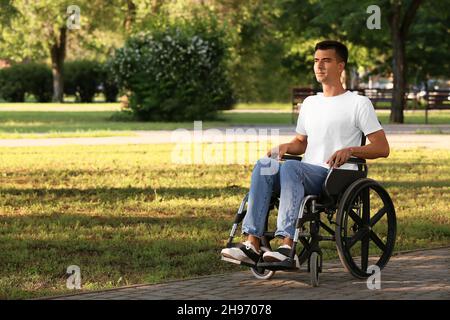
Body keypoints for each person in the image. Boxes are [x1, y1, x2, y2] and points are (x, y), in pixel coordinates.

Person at [221, 40, 390, 265]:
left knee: (291, 167)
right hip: (303, 174)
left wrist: (351, 150)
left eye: (326, 61)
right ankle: (251, 243)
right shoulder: (310, 103)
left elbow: (382, 147)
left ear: (341, 66)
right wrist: (285, 147)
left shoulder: (358, 103)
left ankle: (287, 246)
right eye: (316, 61)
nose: (319, 66)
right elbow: (301, 142)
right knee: (264, 165)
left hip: (336, 176)